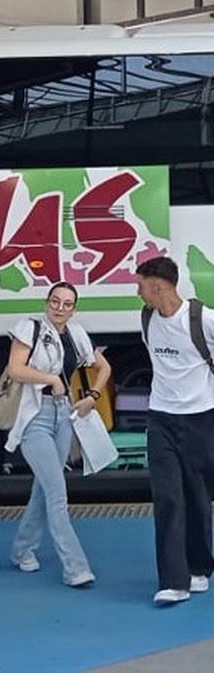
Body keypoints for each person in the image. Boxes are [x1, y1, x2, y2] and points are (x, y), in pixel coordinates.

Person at [2, 282, 107, 588]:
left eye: (67, 304)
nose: (60, 308)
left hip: (64, 414)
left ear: (74, 308)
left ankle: (22, 550)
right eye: (55, 301)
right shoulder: (29, 327)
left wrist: (93, 396)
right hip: (34, 416)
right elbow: (15, 369)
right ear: (47, 302)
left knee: (45, 488)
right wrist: (49, 378)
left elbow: (104, 368)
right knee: (57, 492)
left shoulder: (77, 335)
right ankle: (76, 567)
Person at [135, 256, 214, 605]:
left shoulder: (204, 320)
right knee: (167, 497)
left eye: (140, 284)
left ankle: (199, 567)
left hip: (200, 418)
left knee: (198, 498)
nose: (137, 290)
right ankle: (173, 580)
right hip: (160, 419)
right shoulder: (147, 318)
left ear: (157, 285)